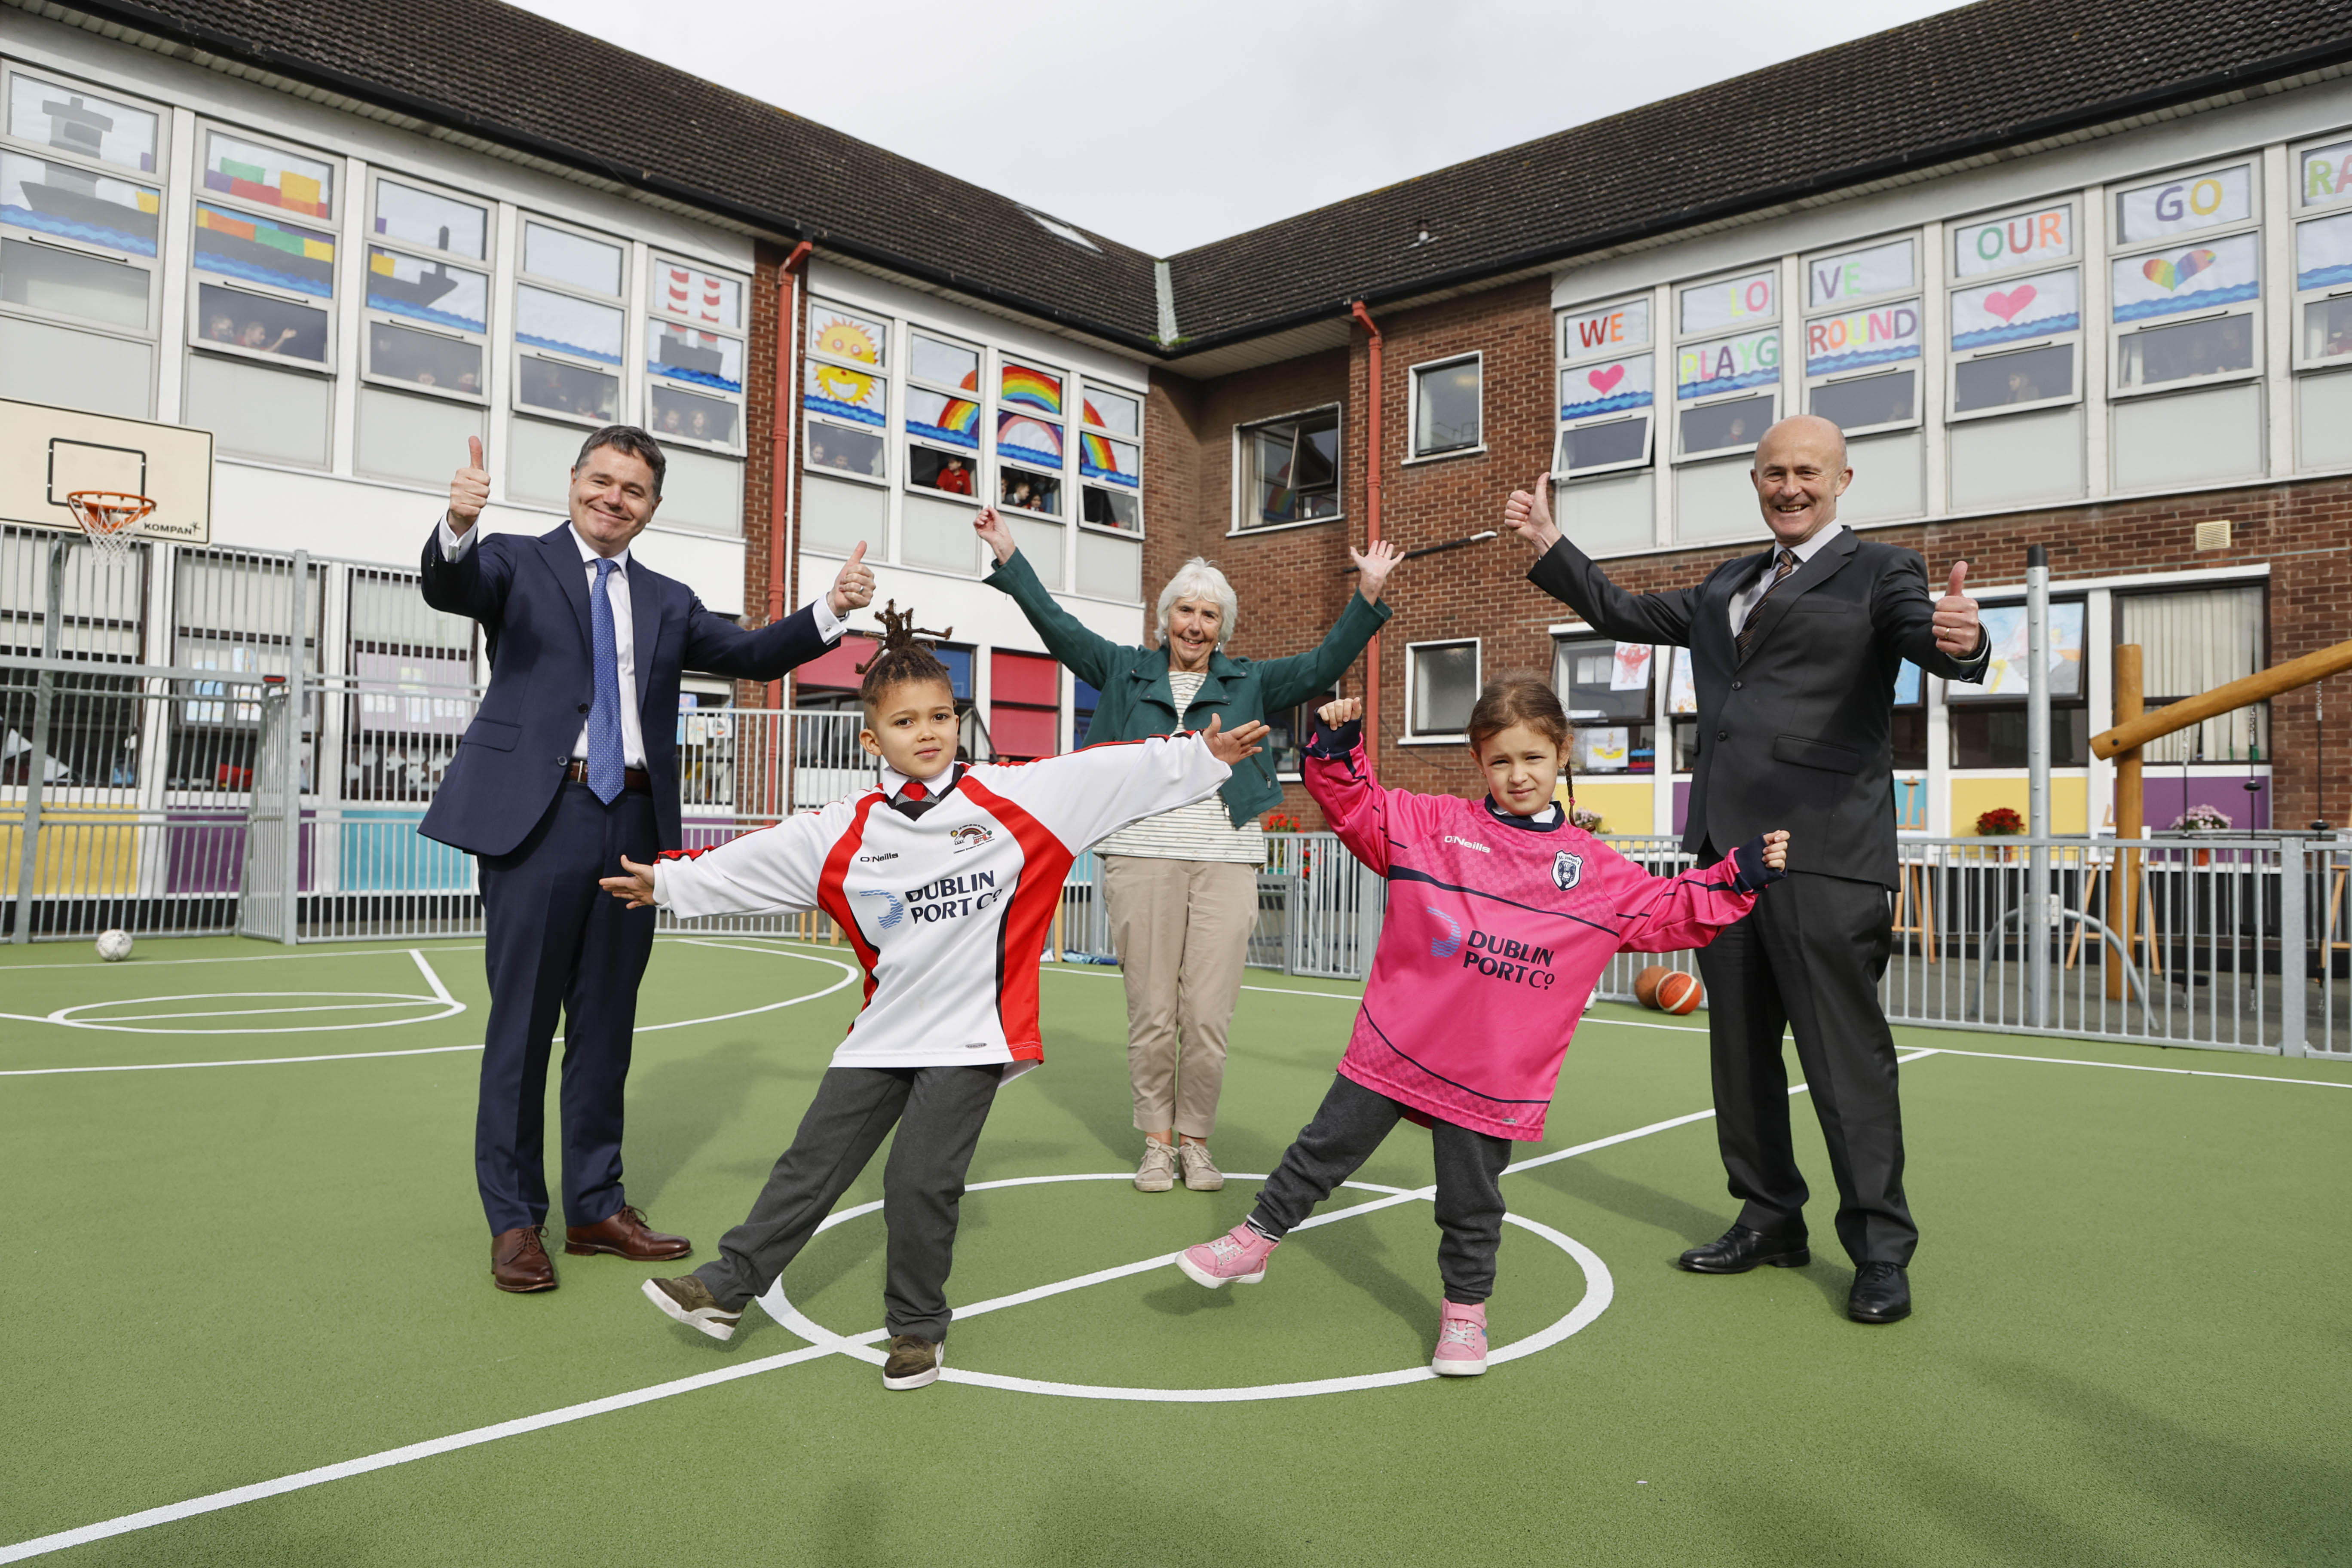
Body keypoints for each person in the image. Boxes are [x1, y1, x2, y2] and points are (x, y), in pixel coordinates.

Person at [609, 604, 1268, 1389]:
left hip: (973, 1037)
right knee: (808, 1165)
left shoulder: (1020, 801)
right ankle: (726, 1289)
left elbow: (1114, 770)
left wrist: (1202, 756)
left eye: (940, 716)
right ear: (871, 740)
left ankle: (917, 1329)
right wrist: (673, 881)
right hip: (881, 1034)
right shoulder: (839, 831)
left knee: (918, 1182)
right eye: (903, 722)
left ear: (958, 722)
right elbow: (750, 862)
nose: (926, 732)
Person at [1502, 413, 1987, 1324]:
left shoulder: (1883, 573)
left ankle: (1881, 1250)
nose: (1790, 487)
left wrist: (1963, 642)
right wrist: (1550, 542)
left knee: (1845, 1064)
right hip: (1725, 865)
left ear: (1844, 479)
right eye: (1774, 473)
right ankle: (1769, 1217)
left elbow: (1928, 637)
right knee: (1740, 1055)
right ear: (1755, 481)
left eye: (1808, 472)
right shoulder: (1730, 581)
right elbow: (1621, 611)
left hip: (1827, 860)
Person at [1176, 686, 1787, 1374]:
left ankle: (1465, 1313)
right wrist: (1337, 748)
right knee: (1322, 1149)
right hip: (1400, 1042)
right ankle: (1256, 1239)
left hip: (1493, 1069)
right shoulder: (1432, 825)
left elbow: (1670, 907)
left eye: (1533, 757)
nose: (1518, 774)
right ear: (1478, 760)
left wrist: (1741, 872)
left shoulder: (1595, 870)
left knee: (1471, 1199)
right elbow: (1361, 809)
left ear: (1563, 753)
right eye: (1500, 761)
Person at [421, 426, 876, 1295]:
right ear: (574, 483)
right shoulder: (514, 562)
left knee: (606, 1027)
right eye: (602, 480)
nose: (614, 497)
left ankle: (595, 1207)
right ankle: (516, 1220)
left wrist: (830, 609)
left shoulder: (669, 598)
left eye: (633, 489)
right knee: (522, 1027)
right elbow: (453, 583)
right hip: (538, 817)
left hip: (630, 820)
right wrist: (457, 522)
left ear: (652, 508)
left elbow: (749, 654)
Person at [974, 505, 1399, 1193]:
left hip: (1226, 859)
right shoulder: (1122, 672)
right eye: (1185, 612)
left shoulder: (1251, 683)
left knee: (1206, 1017)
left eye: (1209, 616)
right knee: (1152, 1012)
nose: (1196, 626)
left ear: (1222, 629)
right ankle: (1156, 1142)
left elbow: (1326, 662)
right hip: (1140, 856)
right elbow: (1058, 627)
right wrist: (1009, 552)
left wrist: (1369, 594)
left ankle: (1197, 1143)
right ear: (1166, 618)